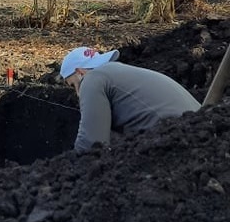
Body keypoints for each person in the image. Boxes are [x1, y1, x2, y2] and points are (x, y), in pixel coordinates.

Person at [60, 46, 201, 152]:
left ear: (79, 72)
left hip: (175, 142)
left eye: (73, 85)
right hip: (203, 135)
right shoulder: (120, 73)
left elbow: (91, 144)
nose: (78, 93)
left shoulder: (92, 78)